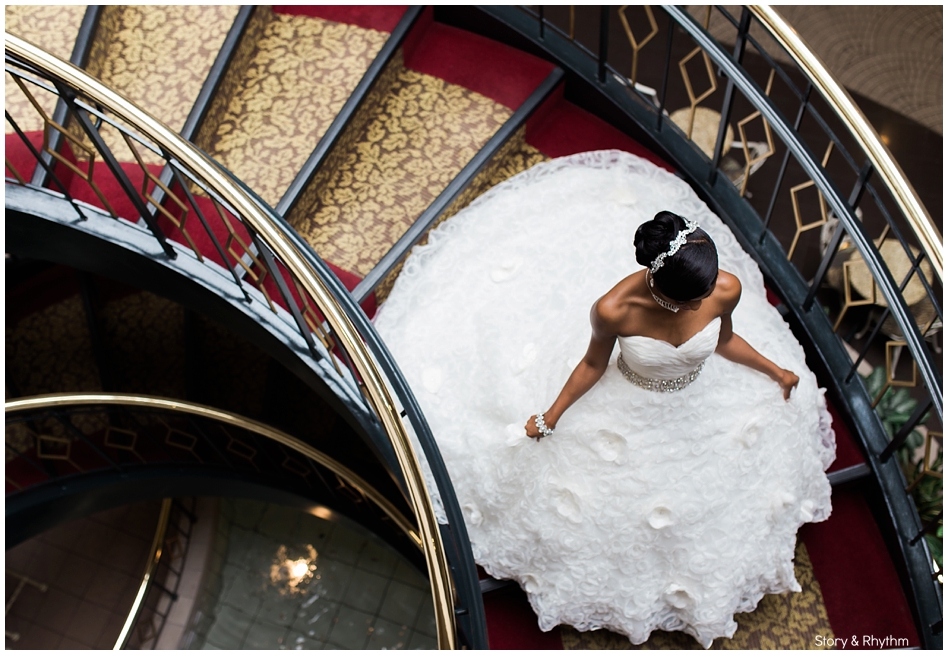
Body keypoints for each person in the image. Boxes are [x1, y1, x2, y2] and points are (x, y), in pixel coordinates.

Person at [373, 150, 835, 648]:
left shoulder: (722, 289)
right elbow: (593, 364)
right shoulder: (615, 309)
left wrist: (776, 371)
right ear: (660, 287)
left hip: (699, 403)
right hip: (622, 398)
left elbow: (722, 341)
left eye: (706, 294)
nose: (703, 302)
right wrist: (550, 417)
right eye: (691, 299)